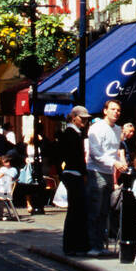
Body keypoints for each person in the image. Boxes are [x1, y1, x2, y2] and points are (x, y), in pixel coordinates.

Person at [85, 99, 124, 255]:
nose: (116, 112)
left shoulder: (118, 130)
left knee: (104, 211)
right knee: (95, 209)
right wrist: (114, 162)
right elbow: (95, 153)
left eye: (118, 110)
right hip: (96, 171)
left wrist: (118, 163)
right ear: (105, 111)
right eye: (113, 109)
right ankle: (93, 246)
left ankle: (100, 245)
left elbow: (114, 151)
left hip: (109, 172)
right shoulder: (96, 128)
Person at [59, 105, 90, 256]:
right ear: (74, 118)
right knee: (75, 210)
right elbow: (75, 158)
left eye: (86, 119)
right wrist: (83, 173)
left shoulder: (76, 133)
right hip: (74, 174)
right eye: (82, 118)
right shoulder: (71, 133)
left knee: (77, 210)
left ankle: (76, 245)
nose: (84, 121)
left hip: (73, 174)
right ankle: (72, 245)